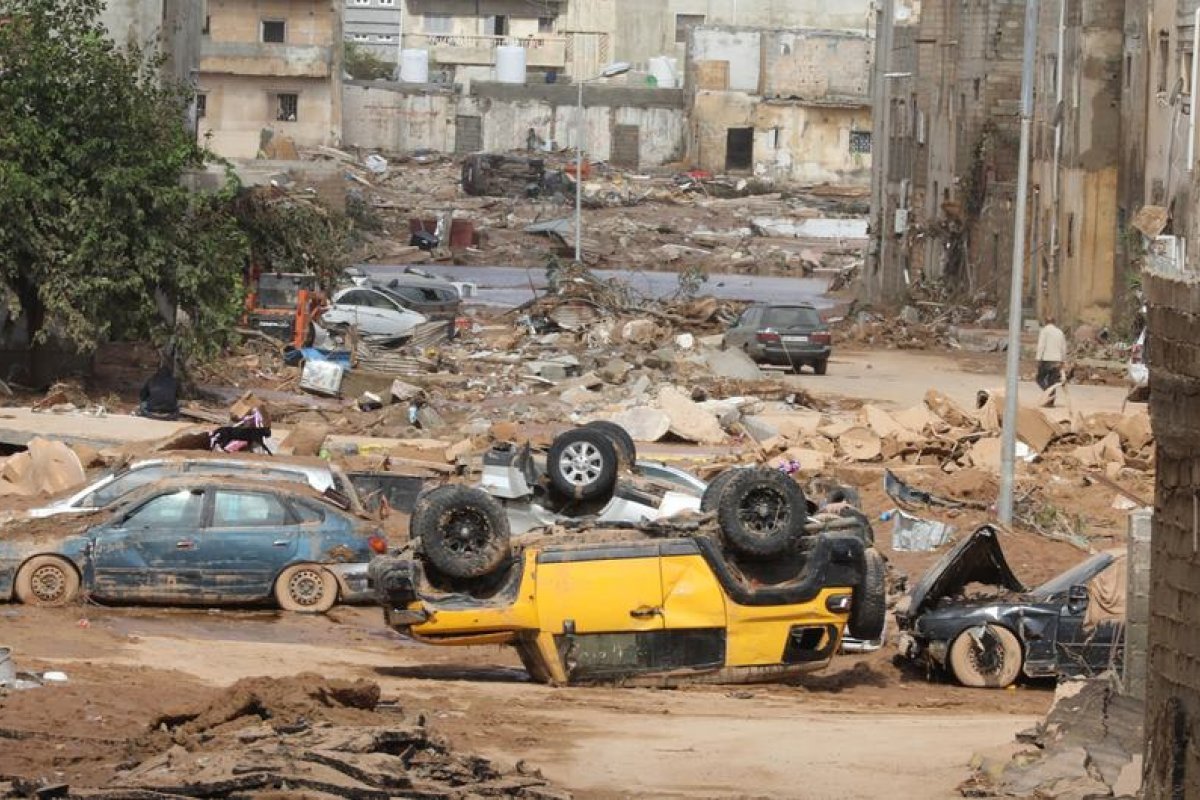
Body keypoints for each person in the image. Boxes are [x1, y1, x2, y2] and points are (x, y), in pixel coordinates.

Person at [1036, 316, 1067, 391]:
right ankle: (1051, 400)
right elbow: (1063, 347)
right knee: (1052, 381)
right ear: (1054, 322)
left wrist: (1038, 359)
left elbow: (1041, 346)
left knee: (1039, 379)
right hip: (1057, 360)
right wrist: (1063, 360)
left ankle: (1048, 392)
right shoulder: (1060, 332)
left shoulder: (1044, 331)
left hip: (1046, 360)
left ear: (1045, 322)